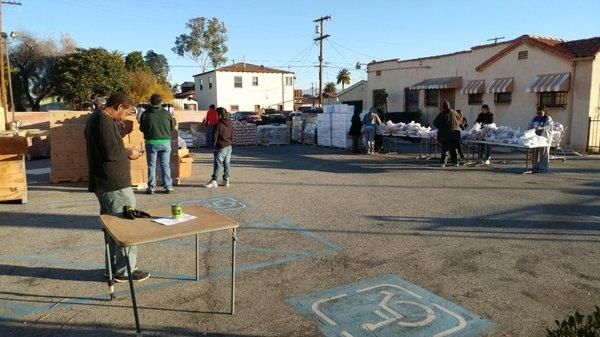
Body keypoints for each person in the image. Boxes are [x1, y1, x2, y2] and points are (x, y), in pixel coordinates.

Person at [84, 93, 150, 283]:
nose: (126, 116)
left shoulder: (96, 119)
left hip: (105, 181)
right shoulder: (103, 121)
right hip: (114, 184)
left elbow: (107, 146)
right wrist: (130, 152)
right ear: (120, 106)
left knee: (112, 228)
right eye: (127, 112)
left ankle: (113, 268)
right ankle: (125, 270)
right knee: (125, 226)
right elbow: (112, 152)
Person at [139, 93, 176, 194]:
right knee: (165, 165)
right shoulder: (166, 114)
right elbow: (172, 128)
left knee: (152, 166)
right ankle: (168, 186)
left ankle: (151, 187)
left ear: (150, 102)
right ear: (160, 102)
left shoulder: (145, 114)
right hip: (165, 142)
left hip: (151, 143)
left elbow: (141, 128)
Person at [204, 107, 233, 188]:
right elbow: (232, 135)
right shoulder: (229, 123)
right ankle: (226, 180)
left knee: (218, 164)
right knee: (227, 163)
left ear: (220, 115)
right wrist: (230, 142)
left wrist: (214, 146)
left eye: (216, 114)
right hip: (229, 146)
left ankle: (214, 180)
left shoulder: (218, 124)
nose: (215, 116)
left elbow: (215, 136)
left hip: (220, 147)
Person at [433, 101, 461, 167]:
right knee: (454, 148)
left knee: (445, 148)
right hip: (455, 133)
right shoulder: (454, 112)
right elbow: (459, 119)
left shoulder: (443, 113)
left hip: (445, 134)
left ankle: (443, 162)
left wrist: (441, 127)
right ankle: (455, 162)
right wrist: (456, 126)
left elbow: (435, 122)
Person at [528, 106, 554, 173]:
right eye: (538, 113)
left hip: (544, 139)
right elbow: (530, 126)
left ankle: (543, 168)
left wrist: (542, 128)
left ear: (544, 112)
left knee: (544, 153)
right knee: (534, 152)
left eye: (540, 113)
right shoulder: (535, 118)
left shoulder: (548, 118)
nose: (539, 114)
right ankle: (535, 166)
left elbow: (549, 126)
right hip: (535, 138)